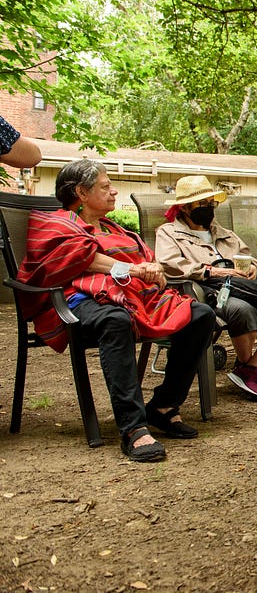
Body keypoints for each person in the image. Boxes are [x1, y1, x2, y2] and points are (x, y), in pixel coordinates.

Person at [17, 159, 216, 462]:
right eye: (105, 186)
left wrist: (153, 271)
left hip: (135, 297)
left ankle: (163, 407)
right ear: (81, 193)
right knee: (115, 319)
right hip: (80, 299)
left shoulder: (116, 229)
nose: (113, 191)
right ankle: (133, 428)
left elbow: (148, 263)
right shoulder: (54, 222)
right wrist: (135, 269)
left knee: (201, 315)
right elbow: (83, 258)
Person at [155, 175, 257, 401]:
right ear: (184, 208)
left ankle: (251, 368)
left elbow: (247, 255)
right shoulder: (168, 233)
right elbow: (170, 264)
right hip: (205, 291)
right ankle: (248, 368)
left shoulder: (222, 231)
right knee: (242, 309)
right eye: (201, 204)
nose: (208, 208)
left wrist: (252, 267)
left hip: (244, 285)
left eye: (211, 203)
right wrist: (213, 271)